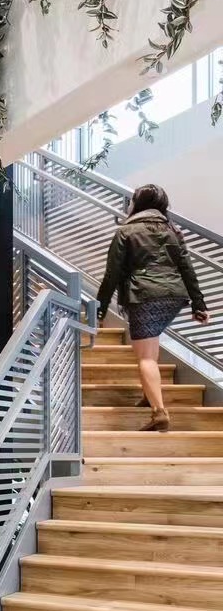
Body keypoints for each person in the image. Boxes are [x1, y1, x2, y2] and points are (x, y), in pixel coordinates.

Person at [96, 183, 208, 432]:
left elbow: (112, 273)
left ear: (137, 204)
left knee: (145, 357)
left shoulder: (126, 231)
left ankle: (159, 413)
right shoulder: (172, 230)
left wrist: (100, 309)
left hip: (144, 295)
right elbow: (187, 268)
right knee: (150, 345)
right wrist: (198, 304)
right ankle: (149, 393)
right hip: (173, 296)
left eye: (131, 201)